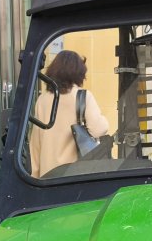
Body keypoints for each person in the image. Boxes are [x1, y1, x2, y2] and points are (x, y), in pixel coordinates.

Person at [29, 49, 110, 178]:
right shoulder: (83, 96)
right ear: (79, 72)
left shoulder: (42, 100)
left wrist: (35, 176)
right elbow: (99, 130)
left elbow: (35, 144)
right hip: (74, 175)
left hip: (48, 176)